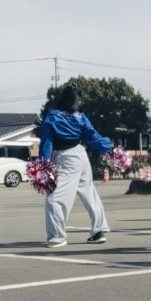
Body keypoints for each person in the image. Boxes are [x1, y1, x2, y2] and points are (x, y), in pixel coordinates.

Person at [37, 83, 113, 248]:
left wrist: (43, 164)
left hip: (66, 157)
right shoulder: (80, 116)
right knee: (89, 193)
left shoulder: (53, 117)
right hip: (81, 153)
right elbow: (94, 137)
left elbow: (47, 143)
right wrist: (110, 148)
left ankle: (57, 237)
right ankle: (98, 231)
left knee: (55, 198)